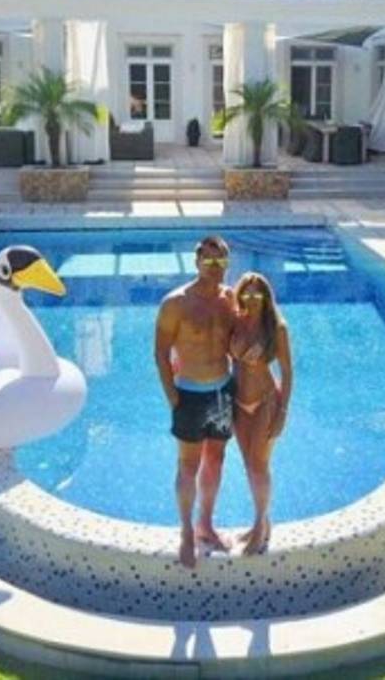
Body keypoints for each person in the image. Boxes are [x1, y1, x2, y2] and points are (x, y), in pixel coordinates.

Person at [155, 235, 236, 568]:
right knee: (188, 465)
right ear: (197, 262)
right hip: (188, 394)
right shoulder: (175, 303)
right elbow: (161, 353)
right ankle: (187, 532)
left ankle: (206, 524)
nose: (215, 267)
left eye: (221, 261)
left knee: (216, 460)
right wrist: (173, 396)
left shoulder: (230, 299)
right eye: (209, 261)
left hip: (222, 392)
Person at [229, 271, 292, 555]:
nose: (251, 297)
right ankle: (263, 523)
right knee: (249, 465)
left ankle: (258, 528)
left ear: (266, 297)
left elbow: (287, 372)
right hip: (239, 403)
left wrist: (282, 412)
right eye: (246, 291)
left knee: (259, 465)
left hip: (266, 402)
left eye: (257, 292)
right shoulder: (235, 323)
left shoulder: (277, 328)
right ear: (240, 294)